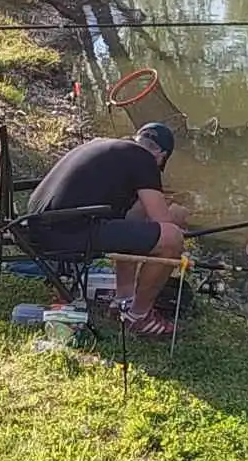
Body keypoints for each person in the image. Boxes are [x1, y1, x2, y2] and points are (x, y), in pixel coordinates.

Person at [25, 123, 190, 338]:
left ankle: (123, 301)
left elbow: (134, 218)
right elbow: (164, 226)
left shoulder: (108, 146)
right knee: (171, 240)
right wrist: (175, 217)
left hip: (36, 226)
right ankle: (138, 317)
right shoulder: (145, 160)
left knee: (135, 221)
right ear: (161, 156)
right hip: (63, 233)